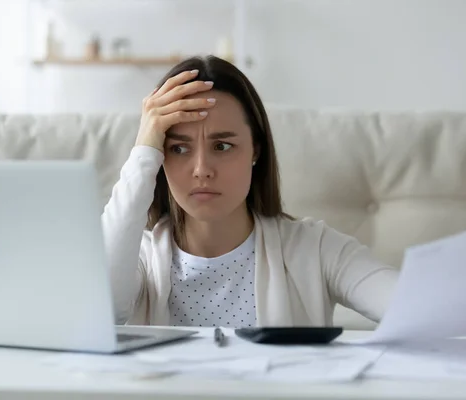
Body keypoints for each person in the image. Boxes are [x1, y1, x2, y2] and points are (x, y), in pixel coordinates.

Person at [101, 55, 398, 328]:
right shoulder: (138, 259)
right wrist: (143, 151)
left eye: (222, 146)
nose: (202, 169)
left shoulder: (315, 250)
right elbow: (103, 306)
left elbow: (419, 312)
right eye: (178, 148)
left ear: (255, 149)